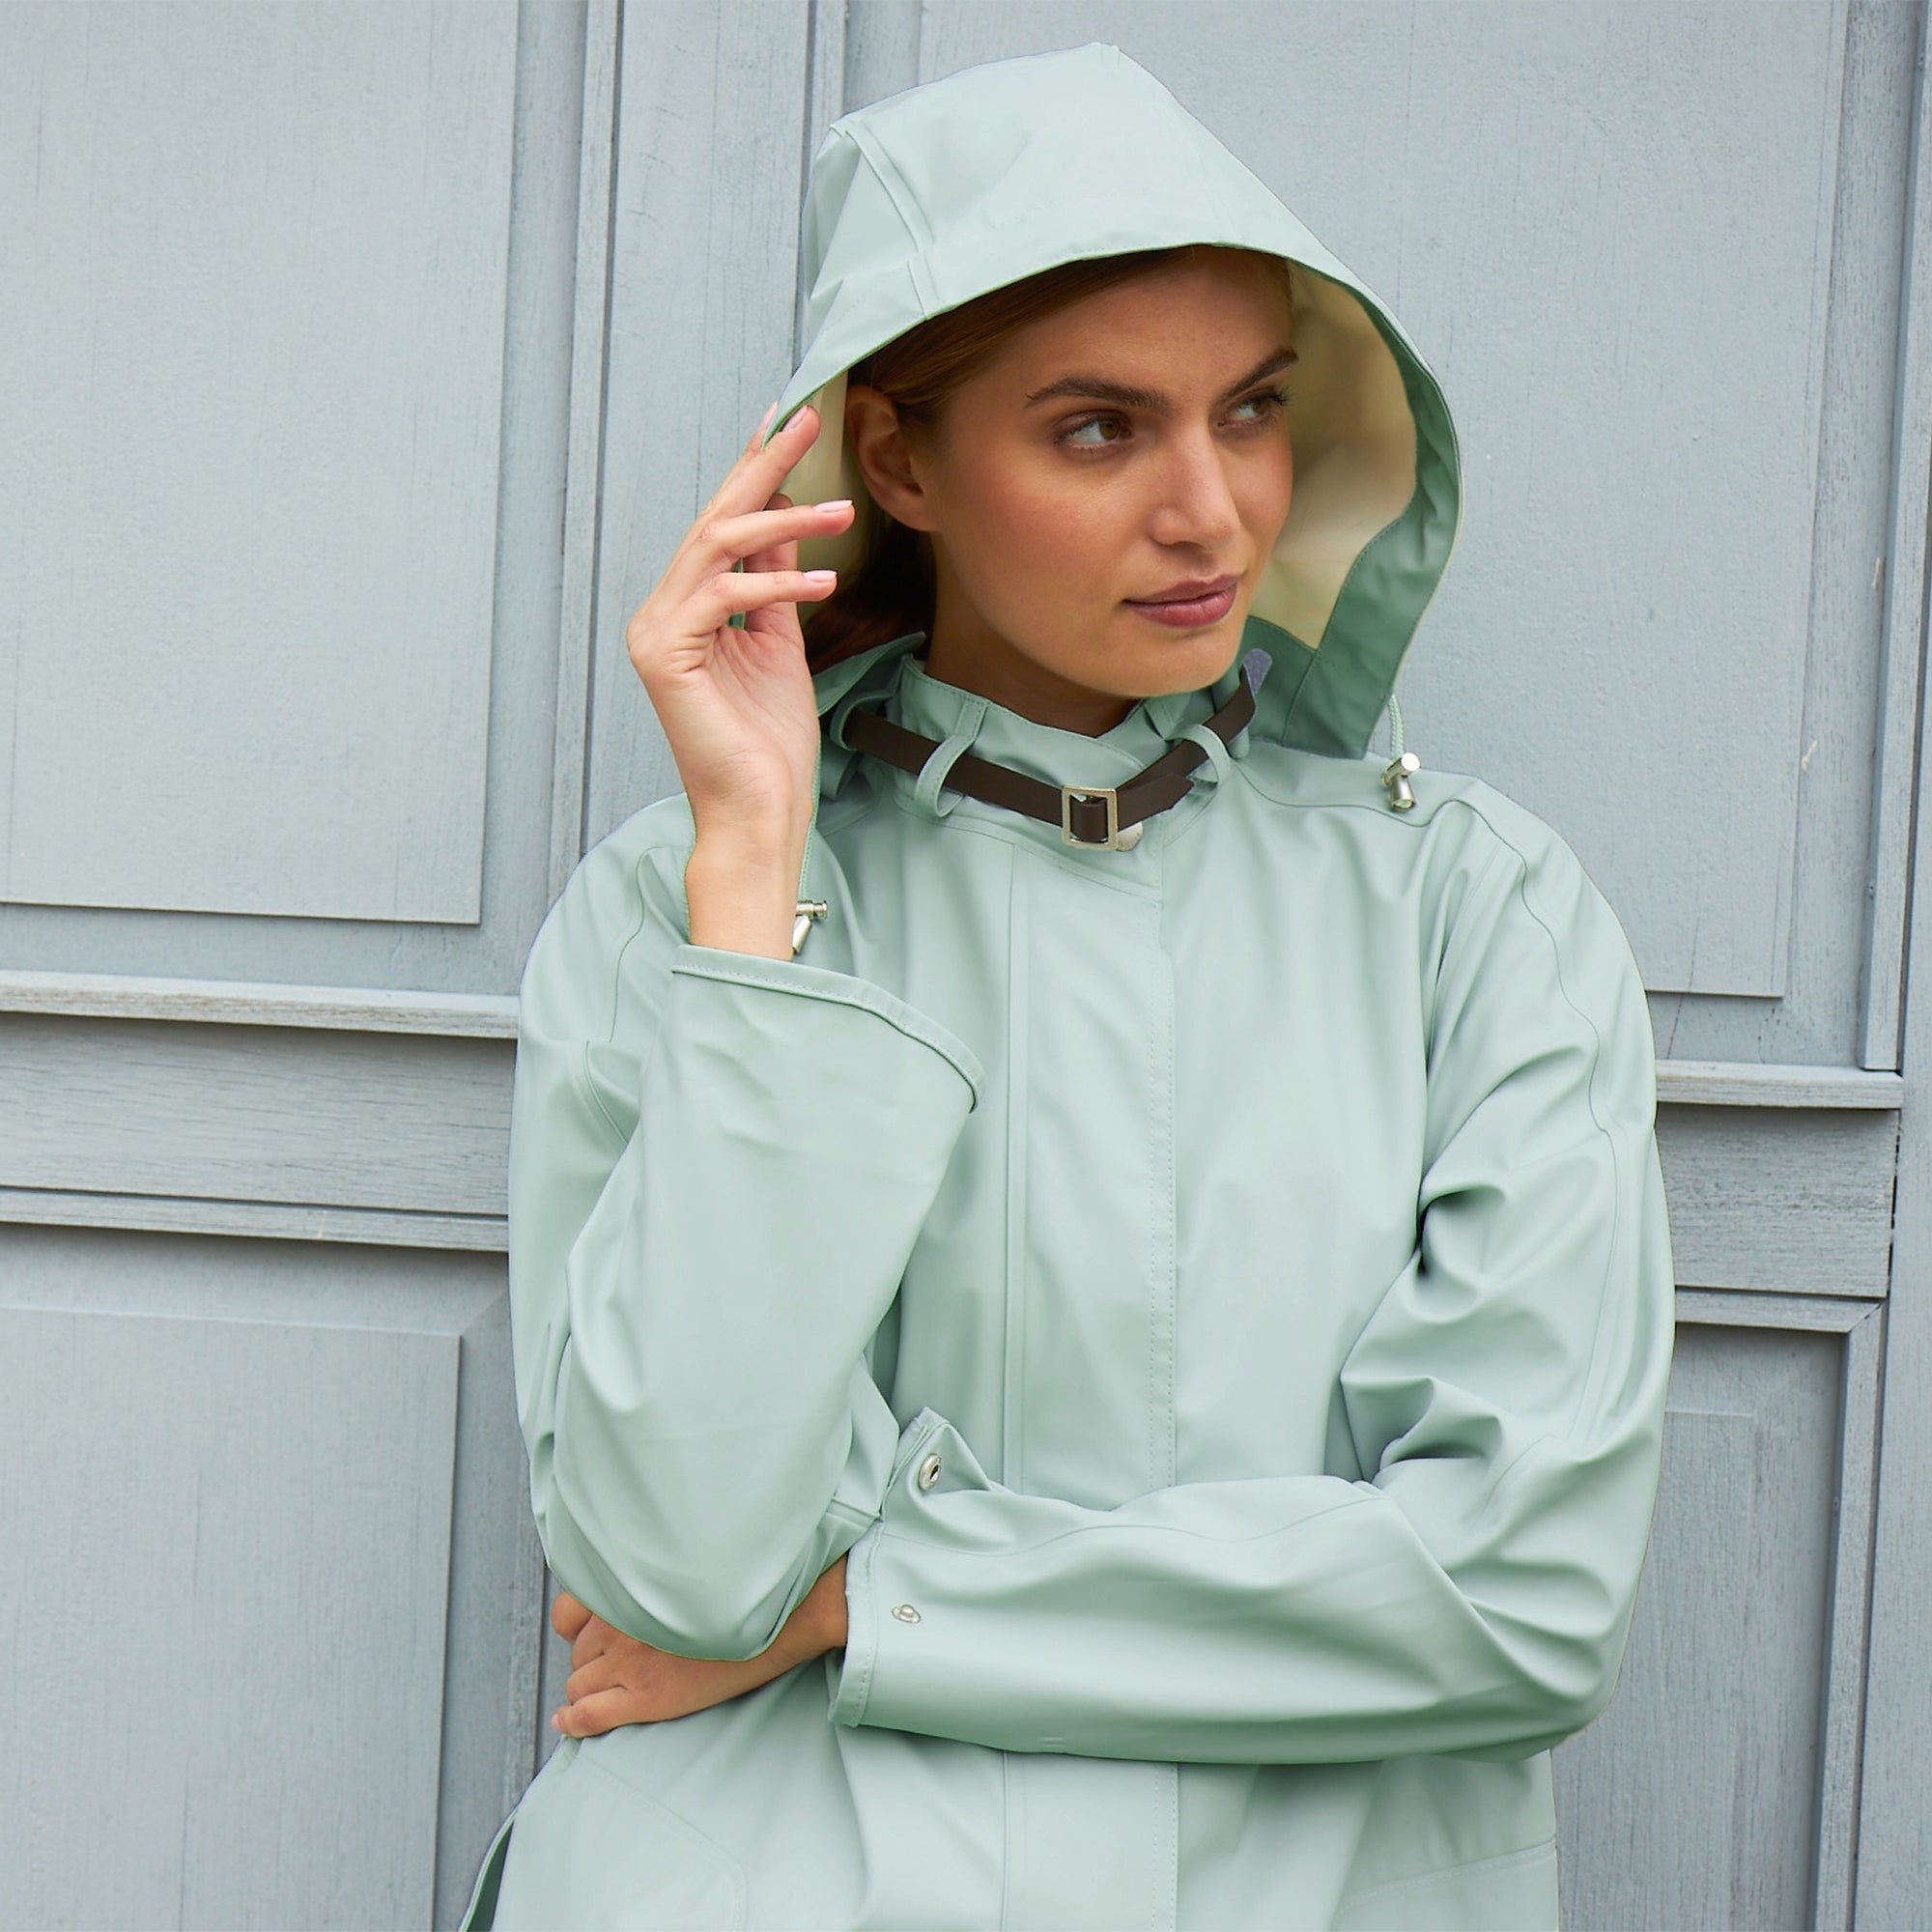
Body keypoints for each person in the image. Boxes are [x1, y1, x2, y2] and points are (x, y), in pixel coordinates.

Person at [460, 40, 1676, 1932]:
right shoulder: (675, 914)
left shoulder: (1473, 913)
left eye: (1251, 410)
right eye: (1101, 429)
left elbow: (1522, 1600)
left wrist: (870, 1597)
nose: (1212, 510)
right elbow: (678, 1566)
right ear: (898, 459)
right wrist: (756, 873)